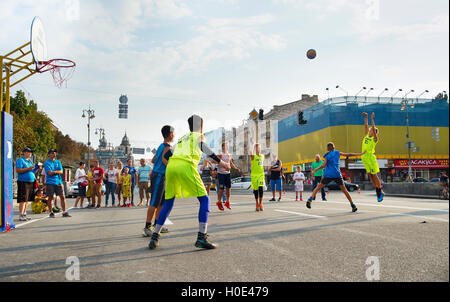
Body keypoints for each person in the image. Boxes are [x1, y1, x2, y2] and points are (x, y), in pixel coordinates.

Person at [148, 115, 230, 250]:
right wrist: (223, 163)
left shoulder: (182, 139)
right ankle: (201, 237)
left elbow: (167, 156)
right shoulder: (199, 136)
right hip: (186, 165)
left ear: (189, 126)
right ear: (201, 126)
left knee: (168, 202)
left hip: (171, 167)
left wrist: (173, 165)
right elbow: (206, 149)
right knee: (205, 200)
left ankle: (154, 236)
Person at [306, 142, 365, 212]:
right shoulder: (337, 152)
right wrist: (360, 154)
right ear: (334, 147)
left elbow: (324, 165)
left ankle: (310, 199)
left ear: (327, 149)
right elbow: (349, 154)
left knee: (318, 187)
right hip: (337, 174)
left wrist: (317, 168)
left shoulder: (327, 155)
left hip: (328, 175)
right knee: (345, 190)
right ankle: (353, 205)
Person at [143, 125, 174, 237]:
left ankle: (157, 225)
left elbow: (153, 159)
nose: (174, 135)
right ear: (170, 134)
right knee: (155, 202)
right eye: (173, 133)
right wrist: (172, 166)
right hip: (159, 176)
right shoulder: (167, 147)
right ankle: (147, 227)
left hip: (161, 176)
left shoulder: (162, 145)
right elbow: (163, 159)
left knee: (161, 203)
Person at [362, 112, 384, 202]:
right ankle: (376, 188)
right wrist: (366, 117)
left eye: (372, 130)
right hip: (364, 157)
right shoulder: (367, 136)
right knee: (370, 175)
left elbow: (372, 127)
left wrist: (371, 119)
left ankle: (379, 190)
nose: (370, 130)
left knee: (374, 175)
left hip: (370, 157)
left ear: (374, 132)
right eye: (370, 130)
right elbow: (366, 126)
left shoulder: (374, 139)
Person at [44, 149, 71, 218]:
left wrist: (54, 172)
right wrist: (57, 171)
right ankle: (51, 212)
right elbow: (49, 173)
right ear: (49, 154)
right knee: (50, 197)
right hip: (50, 182)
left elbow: (61, 171)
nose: (54, 154)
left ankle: (64, 212)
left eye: (55, 153)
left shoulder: (58, 162)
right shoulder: (47, 163)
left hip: (58, 182)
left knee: (62, 196)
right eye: (52, 153)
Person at [15, 147, 40, 221]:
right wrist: (28, 169)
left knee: (27, 199)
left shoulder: (30, 161)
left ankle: (24, 213)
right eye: (28, 152)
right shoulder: (21, 160)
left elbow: (31, 171)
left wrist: (37, 168)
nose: (30, 154)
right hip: (23, 181)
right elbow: (18, 170)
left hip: (31, 181)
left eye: (30, 152)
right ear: (24, 153)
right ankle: (21, 214)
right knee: (23, 199)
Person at [216, 142, 240, 210]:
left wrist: (235, 168)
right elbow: (216, 161)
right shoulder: (220, 154)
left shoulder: (229, 155)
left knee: (228, 189)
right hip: (221, 174)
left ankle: (227, 202)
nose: (228, 146)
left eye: (228, 145)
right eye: (226, 145)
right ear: (223, 147)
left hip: (227, 174)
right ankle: (219, 202)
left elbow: (231, 163)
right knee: (221, 189)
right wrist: (224, 166)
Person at [251, 144, 265, 212]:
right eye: (256, 148)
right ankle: (257, 203)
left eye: (259, 148)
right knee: (256, 190)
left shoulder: (262, 156)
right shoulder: (253, 156)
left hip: (261, 175)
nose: (258, 149)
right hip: (254, 175)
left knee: (261, 188)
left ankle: (260, 203)